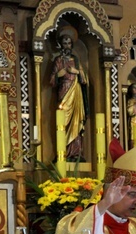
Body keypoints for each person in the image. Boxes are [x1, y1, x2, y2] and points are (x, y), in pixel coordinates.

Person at [50, 32, 88, 162]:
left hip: (76, 91)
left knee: (76, 122)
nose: (67, 46)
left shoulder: (76, 60)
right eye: (64, 43)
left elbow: (84, 80)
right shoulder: (58, 60)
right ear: (61, 45)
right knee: (64, 122)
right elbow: (51, 81)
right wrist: (59, 75)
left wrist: (76, 72)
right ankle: (63, 151)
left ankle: (76, 153)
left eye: (69, 43)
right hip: (64, 91)